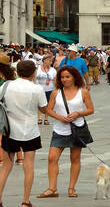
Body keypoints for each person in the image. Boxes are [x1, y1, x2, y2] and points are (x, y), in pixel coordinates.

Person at [0, 59, 49, 207]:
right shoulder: (37, 89)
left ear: (17, 71)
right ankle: (25, 201)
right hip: (30, 130)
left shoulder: (7, 85)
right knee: (28, 166)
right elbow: (44, 109)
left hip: (10, 130)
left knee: (6, 166)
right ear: (33, 72)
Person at [38, 65, 94, 199]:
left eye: (67, 77)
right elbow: (48, 110)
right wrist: (59, 117)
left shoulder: (83, 92)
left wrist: (77, 113)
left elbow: (91, 109)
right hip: (59, 129)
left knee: (75, 158)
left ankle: (71, 188)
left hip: (77, 129)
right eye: (62, 77)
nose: (64, 79)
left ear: (74, 77)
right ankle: (52, 188)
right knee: (52, 157)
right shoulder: (56, 92)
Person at [35, 55, 57, 125]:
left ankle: (46, 119)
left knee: (48, 104)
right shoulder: (38, 68)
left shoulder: (53, 70)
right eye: (49, 61)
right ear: (44, 60)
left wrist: (57, 89)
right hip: (39, 89)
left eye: (51, 61)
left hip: (49, 89)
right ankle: (39, 118)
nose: (50, 62)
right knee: (40, 104)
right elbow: (34, 78)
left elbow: (55, 80)